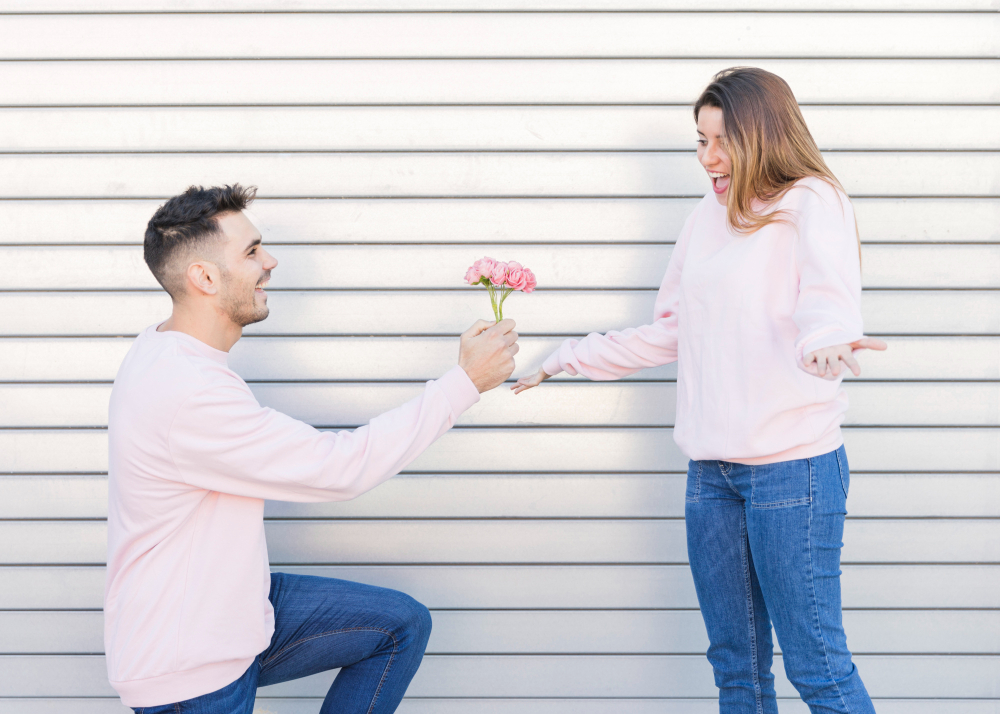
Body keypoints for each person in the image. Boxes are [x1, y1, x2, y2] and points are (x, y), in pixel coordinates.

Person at [513, 67, 886, 713]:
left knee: (816, 665)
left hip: (791, 470)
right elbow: (673, 332)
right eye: (699, 141)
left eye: (722, 141)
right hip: (711, 473)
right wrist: (563, 359)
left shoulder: (811, 200)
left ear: (764, 136)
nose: (708, 159)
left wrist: (825, 342)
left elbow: (827, 302)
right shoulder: (704, 218)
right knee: (736, 669)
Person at [104, 184, 519, 713]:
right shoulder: (189, 392)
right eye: (252, 251)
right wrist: (464, 383)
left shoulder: (167, 348)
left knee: (399, 624)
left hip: (232, 613)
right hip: (189, 666)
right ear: (204, 278)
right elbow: (340, 469)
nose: (270, 262)